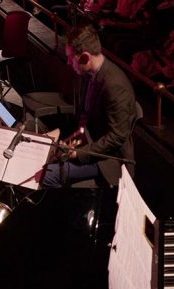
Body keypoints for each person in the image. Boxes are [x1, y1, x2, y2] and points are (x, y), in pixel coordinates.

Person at [42, 25, 138, 188]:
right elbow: (82, 118)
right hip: (88, 142)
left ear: (85, 57)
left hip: (109, 160)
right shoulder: (90, 74)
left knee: (46, 175)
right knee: (41, 159)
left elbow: (116, 137)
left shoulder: (114, 86)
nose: (69, 62)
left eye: (71, 58)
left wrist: (78, 153)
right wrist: (57, 133)